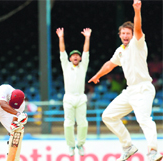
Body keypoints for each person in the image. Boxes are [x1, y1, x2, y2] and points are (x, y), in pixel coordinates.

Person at [88, 1, 163, 161]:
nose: (125, 36)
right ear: (120, 35)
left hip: (143, 88)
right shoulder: (120, 51)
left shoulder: (138, 43)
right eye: (123, 33)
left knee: (144, 119)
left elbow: (138, 28)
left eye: (128, 33)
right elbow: (110, 64)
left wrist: (137, 10)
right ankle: (128, 146)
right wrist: (98, 75)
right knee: (108, 116)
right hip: (130, 91)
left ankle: (153, 151)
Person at [56, 27, 92, 156]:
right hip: (69, 98)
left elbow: (86, 51)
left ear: (80, 58)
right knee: (68, 124)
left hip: (81, 97)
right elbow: (62, 51)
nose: (75, 57)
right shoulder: (66, 66)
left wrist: (87, 37)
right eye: (73, 56)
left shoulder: (83, 66)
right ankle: (71, 146)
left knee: (82, 123)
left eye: (77, 55)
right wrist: (61, 37)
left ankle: (80, 144)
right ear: (70, 59)